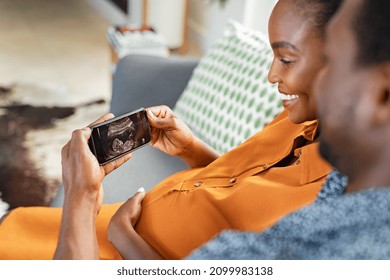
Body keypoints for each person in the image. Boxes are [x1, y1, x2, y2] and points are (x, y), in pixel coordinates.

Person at [0, 0, 341, 260]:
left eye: (286, 59)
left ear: (346, 60)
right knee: (14, 230)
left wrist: (86, 200)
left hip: (100, 252)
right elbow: (247, 189)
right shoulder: (301, 118)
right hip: (100, 227)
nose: (271, 75)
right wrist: (192, 149)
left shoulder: (334, 209)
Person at [187, 0, 390, 259]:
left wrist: (128, 241)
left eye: (332, 62)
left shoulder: (311, 247)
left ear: (382, 92)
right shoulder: (342, 180)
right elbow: (237, 182)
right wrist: (191, 149)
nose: (319, 85)